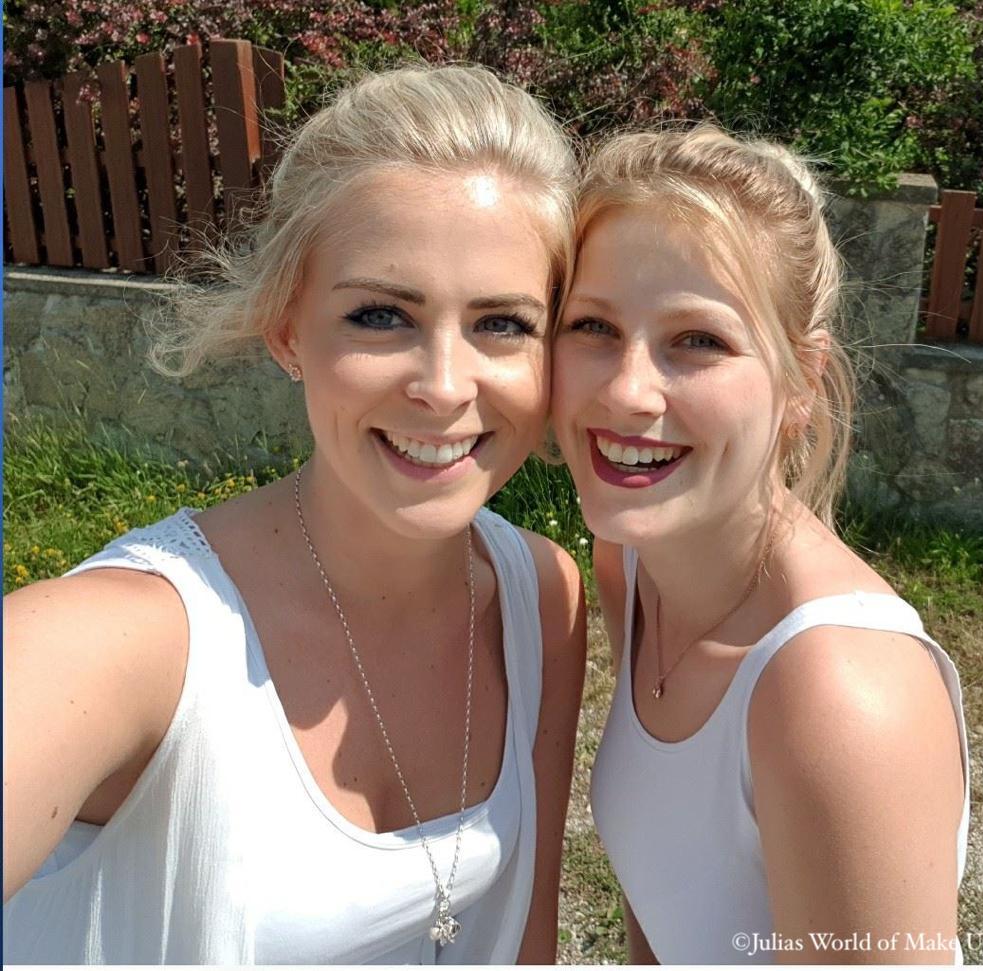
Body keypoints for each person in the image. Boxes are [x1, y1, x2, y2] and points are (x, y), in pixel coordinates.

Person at [3, 64, 587, 964]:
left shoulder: (542, 597)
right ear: (286, 328)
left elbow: (527, 945)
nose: (442, 386)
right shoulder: (127, 641)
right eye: (381, 315)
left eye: (502, 323)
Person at [552, 125, 969, 964]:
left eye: (697, 340)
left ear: (800, 382)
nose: (628, 390)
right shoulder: (632, 565)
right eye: (593, 325)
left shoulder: (837, 698)